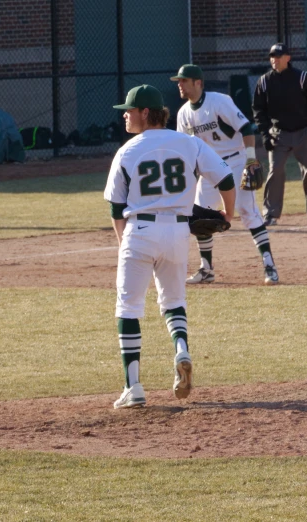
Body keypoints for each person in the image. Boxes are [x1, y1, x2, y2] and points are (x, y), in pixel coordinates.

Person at [104, 84, 236, 409]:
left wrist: (126, 245)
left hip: (140, 229)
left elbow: (115, 208)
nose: (125, 116)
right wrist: (227, 215)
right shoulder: (189, 143)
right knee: (174, 301)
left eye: (129, 111)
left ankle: (132, 386)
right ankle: (181, 348)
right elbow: (227, 179)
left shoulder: (127, 151)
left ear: (145, 113)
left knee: (129, 306)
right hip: (178, 232)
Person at [172, 64, 279, 285]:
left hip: (235, 161)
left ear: (198, 83)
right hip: (207, 169)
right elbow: (185, 150)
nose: (179, 85)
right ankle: (207, 270)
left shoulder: (219, 101)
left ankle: (269, 265)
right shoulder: (183, 114)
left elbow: (246, 128)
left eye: (184, 80)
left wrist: (250, 158)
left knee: (248, 212)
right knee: (200, 217)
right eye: (179, 81)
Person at [252, 43, 307, 225]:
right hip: (278, 133)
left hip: (304, 131)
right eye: (271, 57)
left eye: (278, 56)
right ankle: (270, 213)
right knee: (275, 170)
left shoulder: (302, 78)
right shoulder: (264, 81)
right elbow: (258, 109)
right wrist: (265, 135)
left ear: (288, 58)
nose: (274, 60)